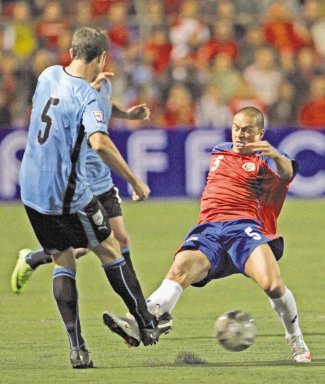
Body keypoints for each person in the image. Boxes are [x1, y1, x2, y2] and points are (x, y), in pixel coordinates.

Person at [104, 107, 311, 363]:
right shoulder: (220, 151)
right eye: (236, 127)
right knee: (179, 269)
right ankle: (144, 320)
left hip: (244, 230)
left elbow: (287, 172)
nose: (240, 134)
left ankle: (295, 337)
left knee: (272, 284)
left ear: (260, 133)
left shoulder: (266, 160)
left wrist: (275, 154)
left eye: (247, 130)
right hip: (209, 230)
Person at [18, 27, 170, 369]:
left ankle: (77, 349)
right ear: (102, 57)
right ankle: (145, 322)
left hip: (30, 190)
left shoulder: (48, 75)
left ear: (72, 50)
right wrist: (135, 180)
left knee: (64, 259)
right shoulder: (87, 96)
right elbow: (100, 143)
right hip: (66, 194)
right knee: (110, 249)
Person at [11, 72, 150, 294]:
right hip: (81, 179)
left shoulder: (104, 83)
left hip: (101, 178)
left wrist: (125, 113)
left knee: (118, 239)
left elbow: (104, 103)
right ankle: (32, 258)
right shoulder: (69, 85)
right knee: (89, 245)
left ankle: (140, 307)